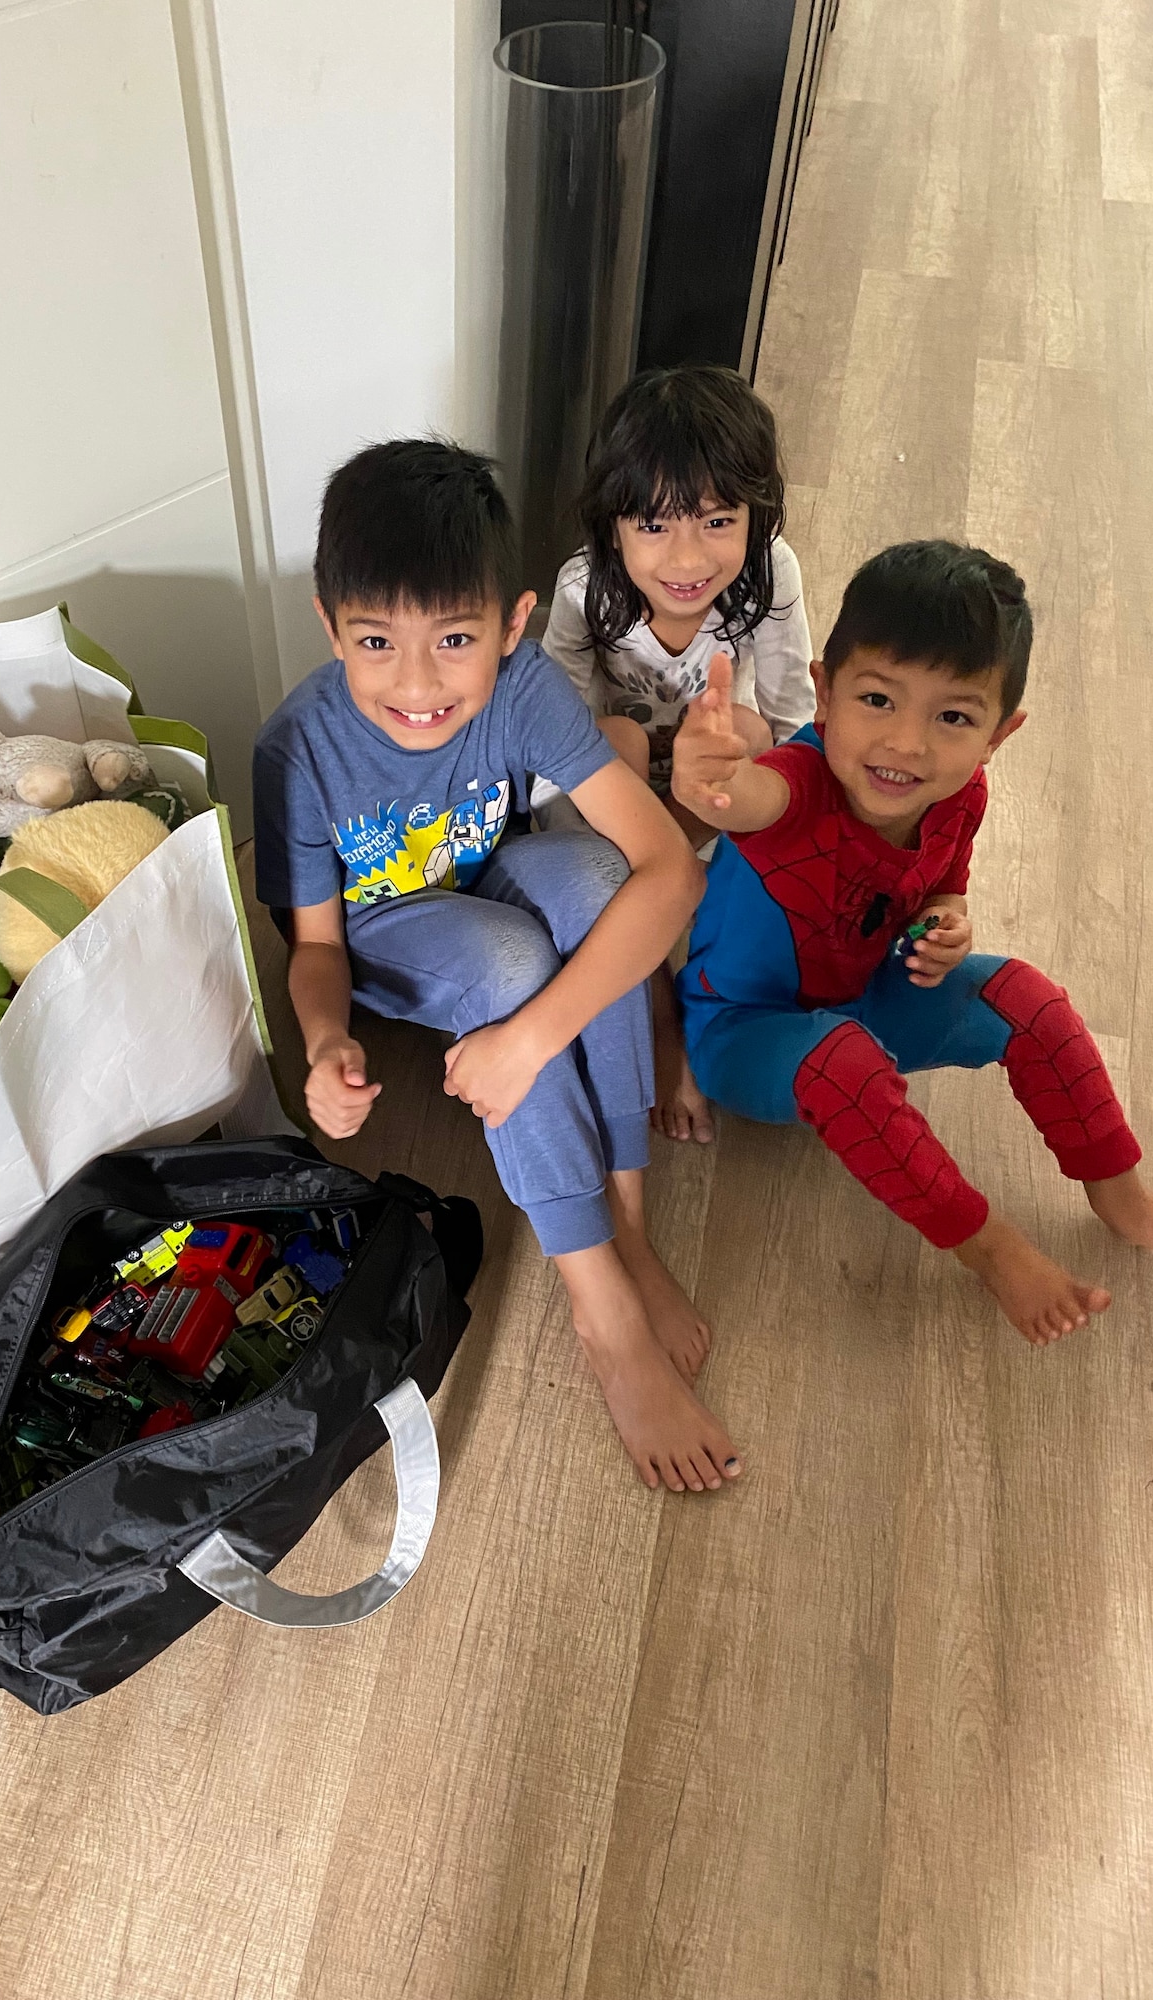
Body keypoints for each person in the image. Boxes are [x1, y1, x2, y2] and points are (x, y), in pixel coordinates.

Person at [252, 439, 742, 1494]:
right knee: (511, 951)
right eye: (375, 640)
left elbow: (665, 870)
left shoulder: (523, 688)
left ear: (513, 626)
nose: (417, 683)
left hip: (486, 882)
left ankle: (629, 1219)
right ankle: (598, 1298)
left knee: (593, 878)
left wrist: (533, 1039)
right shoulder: (298, 747)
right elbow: (319, 944)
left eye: (456, 640)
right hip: (390, 932)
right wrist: (328, 1039)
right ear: (329, 620)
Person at [670, 540, 1153, 1344]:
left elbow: (945, 883)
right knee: (844, 1062)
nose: (906, 744)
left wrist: (949, 924)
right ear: (825, 694)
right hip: (742, 1030)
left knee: (1029, 1002)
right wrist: (707, 781)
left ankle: (1122, 1197)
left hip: (871, 992)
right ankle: (989, 1249)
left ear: (998, 736)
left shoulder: (961, 792)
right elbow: (746, 797)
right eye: (878, 700)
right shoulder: (796, 786)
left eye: (952, 717)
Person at [538, 365, 816, 1142]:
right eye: (655, 526)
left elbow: (795, 717)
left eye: (717, 521)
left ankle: (667, 908)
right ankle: (663, 998)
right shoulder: (582, 589)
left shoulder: (771, 569)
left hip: (714, 786)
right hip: (614, 796)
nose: (688, 560)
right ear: (612, 526)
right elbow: (551, 733)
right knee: (616, 733)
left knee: (748, 731)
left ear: (755, 518)